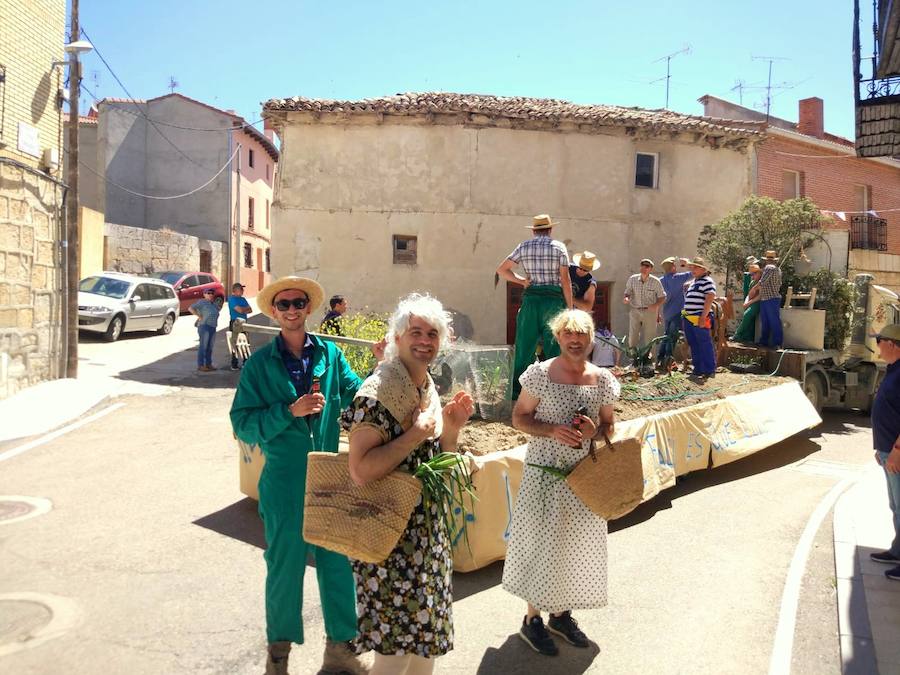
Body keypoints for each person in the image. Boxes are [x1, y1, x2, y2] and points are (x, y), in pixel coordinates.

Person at [229, 276, 370, 675]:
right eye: (284, 304)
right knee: (284, 569)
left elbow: (359, 396)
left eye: (298, 303)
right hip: (285, 481)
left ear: (308, 308)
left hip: (329, 478)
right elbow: (242, 423)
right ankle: (278, 657)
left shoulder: (329, 354)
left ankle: (340, 649)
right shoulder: (259, 365)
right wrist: (288, 411)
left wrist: (381, 365)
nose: (291, 310)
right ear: (274, 311)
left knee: (337, 564)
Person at [344, 293, 474, 675]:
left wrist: (450, 431)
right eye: (415, 331)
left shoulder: (426, 388)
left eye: (432, 334)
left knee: (425, 645)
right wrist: (414, 437)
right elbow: (360, 471)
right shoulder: (377, 393)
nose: (424, 340)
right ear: (397, 338)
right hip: (389, 542)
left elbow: (436, 461)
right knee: (395, 652)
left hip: (426, 540)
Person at [503, 309, 620, 657]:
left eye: (581, 335)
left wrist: (593, 432)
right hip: (544, 474)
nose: (575, 340)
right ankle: (532, 619)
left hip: (583, 478)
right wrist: (552, 429)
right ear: (558, 338)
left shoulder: (602, 380)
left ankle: (560, 614)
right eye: (568, 334)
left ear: (590, 338)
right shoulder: (540, 375)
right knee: (541, 544)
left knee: (573, 545)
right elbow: (519, 418)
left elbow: (610, 427)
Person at [496, 214, 574, 399]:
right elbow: (565, 280)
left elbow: (502, 270)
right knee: (554, 345)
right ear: (550, 229)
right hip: (554, 301)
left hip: (531, 300)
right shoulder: (559, 247)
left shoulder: (524, 246)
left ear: (533, 230)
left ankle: (517, 391)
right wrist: (570, 309)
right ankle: (557, 388)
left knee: (525, 345)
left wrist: (522, 280)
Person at [869, 324, 900, 582]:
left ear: (892, 344)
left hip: (897, 453)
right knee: (895, 506)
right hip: (888, 450)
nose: (877, 346)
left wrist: (896, 451)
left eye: (879, 341)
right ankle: (897, 550)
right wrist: (881, 449)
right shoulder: (893, 370)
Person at [681, 257, 717, 378]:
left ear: (702, 269)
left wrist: (703, 316)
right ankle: (698, 368)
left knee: (704, 342)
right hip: (689, 317)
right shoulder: (694, 282)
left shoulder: (707, 281)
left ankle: (709, 369)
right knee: (693, 342)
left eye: (696, 267)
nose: (693, 269)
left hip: (699, 315)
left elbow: (710, 297)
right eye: (692, 267)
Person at [623, 258, 666, 352]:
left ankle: (651, 361)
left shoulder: (655, 281)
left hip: (650, 311)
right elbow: (627, 292)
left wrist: (655, 306)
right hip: (635, 310)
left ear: (651, 269)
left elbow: (662, 297)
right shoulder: (632, 279)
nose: (644, 268)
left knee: (650, 337)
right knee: (633, 337)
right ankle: (634, 359)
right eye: (642, 265)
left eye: (647, 266)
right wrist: (626, 297)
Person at [656, 256, 692, 367]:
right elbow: (693, 272)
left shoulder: (660, 281)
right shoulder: (678, 278)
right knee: (673, 337)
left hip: (666, 313)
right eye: (674, 266)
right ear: (672, 268)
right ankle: (669, 359)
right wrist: (687, 263)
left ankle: (660, 358)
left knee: (666, 335)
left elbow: (658, 298)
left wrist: (658, 314)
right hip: (678, 313)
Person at [757, 250, 783, 348]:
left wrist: (753, 290)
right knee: (772, 321)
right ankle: (774, 343)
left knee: (768, 321)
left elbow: (762, 282)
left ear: (767, 260)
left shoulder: (768, 268)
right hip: (773, 297)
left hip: (768, 298)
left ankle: (772, 342)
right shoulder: (778, 270)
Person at [190, 288, 220, 372]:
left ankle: (208, 364)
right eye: (208, 293)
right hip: (204, 326)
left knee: (210, 347)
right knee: (203, 346)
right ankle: (201, 365)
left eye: (212, 293)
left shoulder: (213, 304)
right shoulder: (202, 302)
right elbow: (191, 308)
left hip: (213, 326)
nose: (210, 294)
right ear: (204, 294)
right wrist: (199, 316)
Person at [732, 262, 762, 343]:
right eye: (751, 274)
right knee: (747, 316)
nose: (752, 276)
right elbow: (749, 294)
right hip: (751, 302)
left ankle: (737, 334)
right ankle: (745, 337)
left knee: (747, 314)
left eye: (754, 274)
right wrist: (746, 302)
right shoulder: (752, 282)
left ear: (759, 273)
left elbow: (760, 296)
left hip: (758, 303)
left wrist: (749, 303)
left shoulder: (761, 282)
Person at [228, 282, 252, 370]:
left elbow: (250, 310)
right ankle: (234, 364)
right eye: (241, 289)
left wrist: (243, 309)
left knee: (245, 342)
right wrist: (244, 309)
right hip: (235, 322)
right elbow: (240, 310)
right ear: (236, 290)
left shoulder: (243, 299)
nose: (243, 291)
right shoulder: (232, 299)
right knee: (235, 343)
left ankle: (246, 362)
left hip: (244, 322)